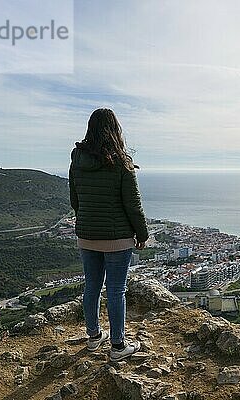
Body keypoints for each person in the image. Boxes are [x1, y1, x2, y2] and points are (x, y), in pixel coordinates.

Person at [68, 108, 149, 361]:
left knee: (91, 286)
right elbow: (133, 205)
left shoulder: (77, 160)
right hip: (117, 237)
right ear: (115, 130)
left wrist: (88, 220)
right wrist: (142, 234)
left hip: (87, 234)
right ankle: (117, 346)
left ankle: (94, 337)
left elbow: (75, 200)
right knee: (115, 290)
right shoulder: (122, 163)